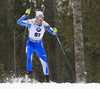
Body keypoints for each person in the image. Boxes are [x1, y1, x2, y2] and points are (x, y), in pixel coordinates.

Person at [17, 9, 58, 83]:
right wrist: (25, 15)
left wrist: (55, 31)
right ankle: (29, 77)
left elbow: (53, 32)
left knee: (44, 61)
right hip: (30, 43)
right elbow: (19, 22)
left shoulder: (44, 24)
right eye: (39, 19)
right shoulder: (31, 22)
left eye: (42, 19)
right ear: (36, 18)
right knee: (29, 57)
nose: (40, 20)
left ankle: (47, 79)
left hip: (39, 44)